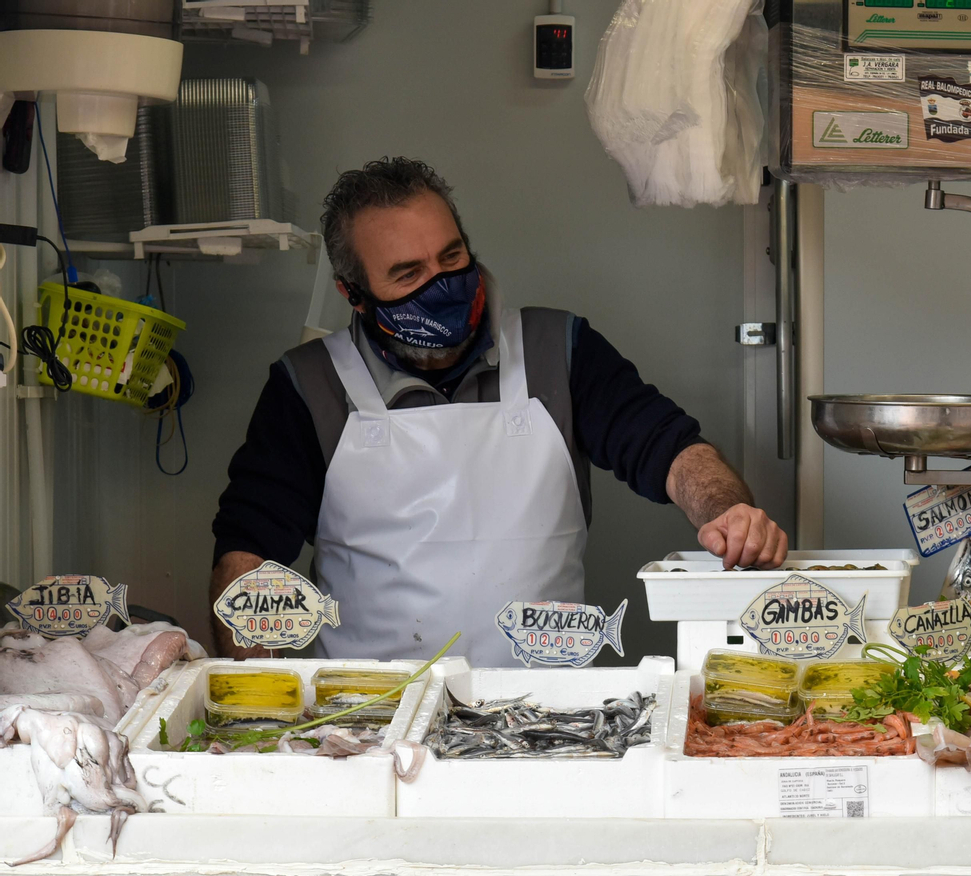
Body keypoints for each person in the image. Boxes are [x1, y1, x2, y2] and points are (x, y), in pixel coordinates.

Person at [210, 157, 787, 664]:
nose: (441, 283)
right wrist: (256, 699)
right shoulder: (308, 385)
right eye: (408, 274)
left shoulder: (557, 349)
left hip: (548, 718)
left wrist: (728, 511)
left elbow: (667, 446)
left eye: (451, 255)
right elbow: (248, 555)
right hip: (370, 724)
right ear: (353, 294)